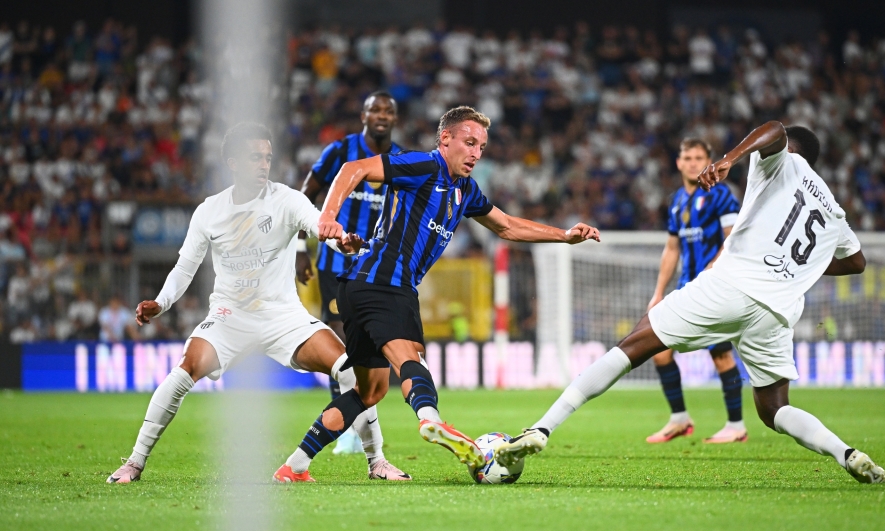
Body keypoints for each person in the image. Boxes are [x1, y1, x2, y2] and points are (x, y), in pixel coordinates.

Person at [496, 121, 885, 484]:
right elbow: (857, 262)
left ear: (789, 151)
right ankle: (847, 453)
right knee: (773, 409)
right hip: (777, 310)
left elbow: (775, 130)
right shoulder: (833, 208)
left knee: (634, 345)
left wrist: (729, 159)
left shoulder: (780, 164)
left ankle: (542, 427)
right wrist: (806, 268)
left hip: (732, 283)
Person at [273, 106, 600, 479]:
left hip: (359, 287)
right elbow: (354, 168)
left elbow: (506, 226)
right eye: (469, 142)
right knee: (412, 357)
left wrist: (563, 235)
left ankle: (294, 466)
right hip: (385, 284)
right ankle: (433, 421)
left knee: (370, 391)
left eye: (482, 146)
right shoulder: (424, 167)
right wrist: (326, 218)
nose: (476, 153)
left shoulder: (466, 190)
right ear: (445, 139)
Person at [106, 122, 410, 484]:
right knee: (183, 372)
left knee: (349, 369)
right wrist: (161, 302)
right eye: (254, 157)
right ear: (233, 162)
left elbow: (318, 224)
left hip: (283, 317)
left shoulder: (287, 199)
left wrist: (339, 239)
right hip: (229, 317)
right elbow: (184, 266)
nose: (264, 163)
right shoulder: (209, 211)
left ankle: (377, 462)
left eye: (267, 156)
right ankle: (134, 463)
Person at [295, 91, 402, 456]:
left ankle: (358, 423)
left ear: (395, 119)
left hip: (376, 269)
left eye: (389, 110)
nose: (382, 115)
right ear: (363, 114)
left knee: (372, 351)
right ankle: (349, 431)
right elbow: (304, 194)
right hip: (336, 264)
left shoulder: (399, 160)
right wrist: (299, 248)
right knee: (342, 349)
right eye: (376, 109)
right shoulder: (340, 151)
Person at [645, 138, 746, 444]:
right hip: (685, 288)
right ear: (678, 163)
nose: (692, 162)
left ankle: (736, 426)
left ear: (708, 161)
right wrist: (658, 292)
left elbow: (733, 240)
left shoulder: (720, 195)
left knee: (721, 356)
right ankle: (679, 419)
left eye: (698, 157)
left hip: (714, 288)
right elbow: (672, 248)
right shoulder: (677, 200)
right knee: (659, 351)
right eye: (687, 157)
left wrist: (710, 271)